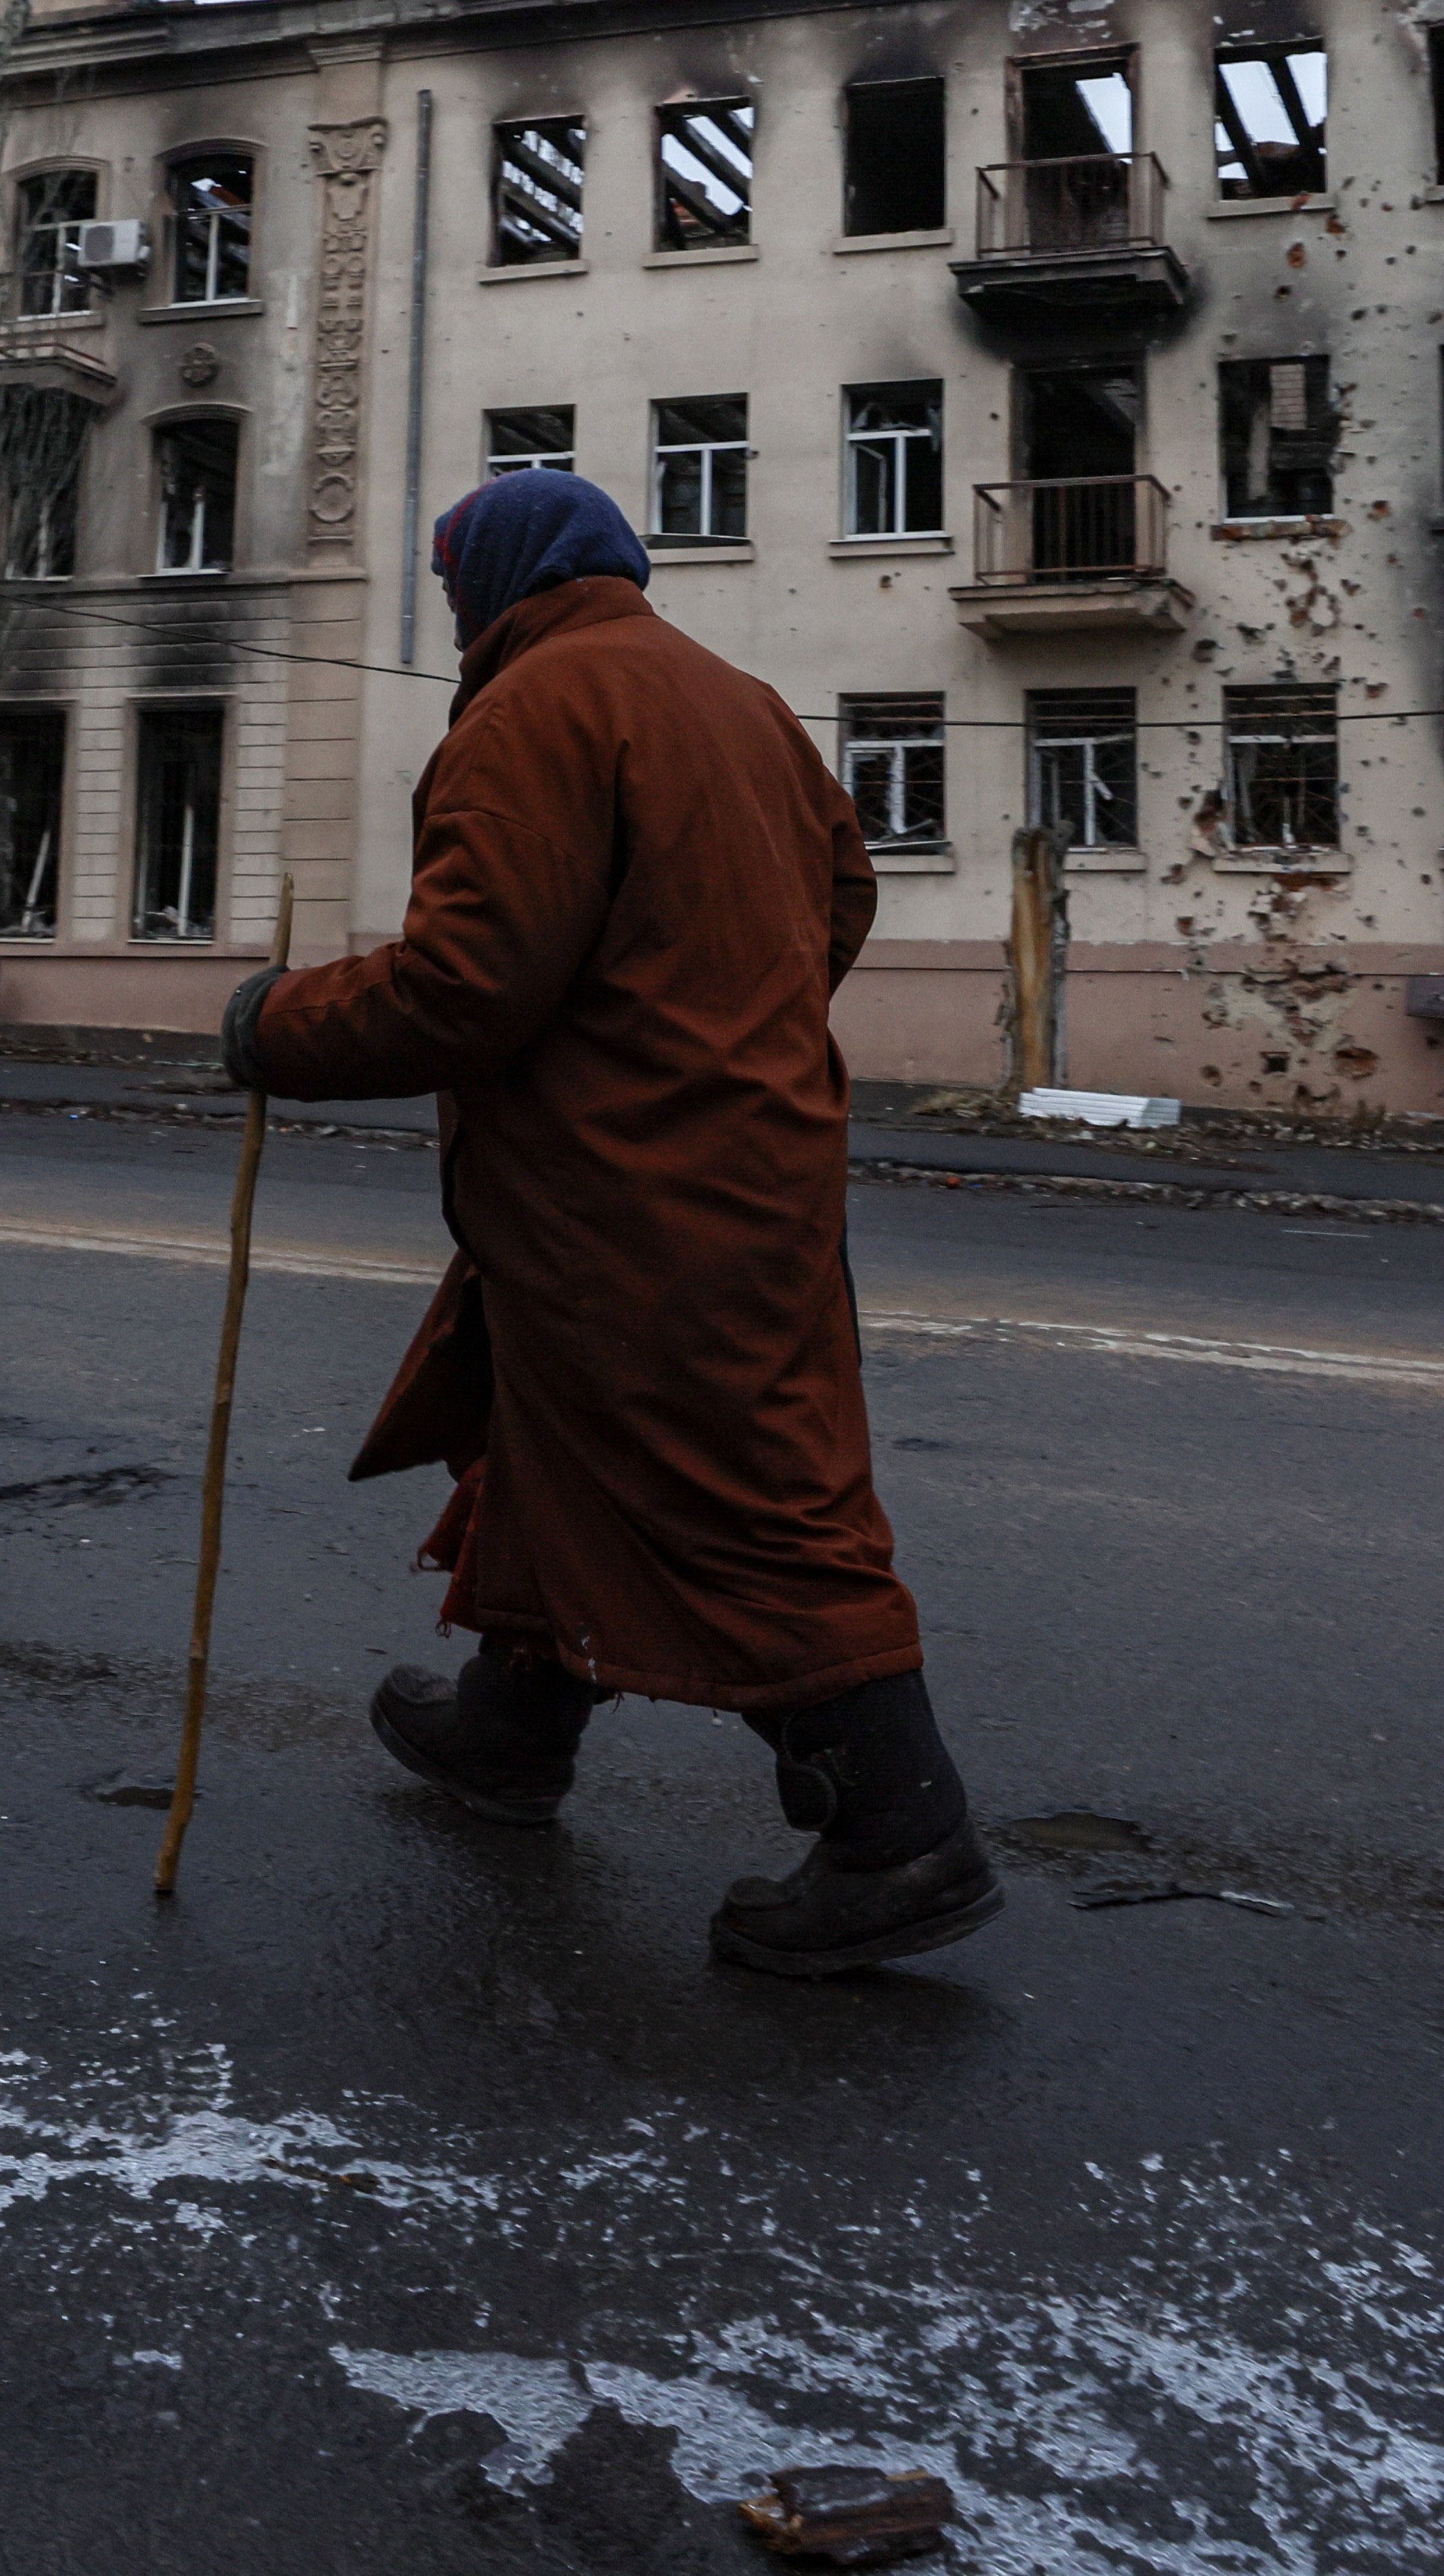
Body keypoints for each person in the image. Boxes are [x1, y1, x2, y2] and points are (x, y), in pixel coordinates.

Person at [222, 472, 998, 1977]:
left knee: (741, 1487)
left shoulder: (536, 708)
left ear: (500, 578)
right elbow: (842, 893)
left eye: (455, 586)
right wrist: (720, 1022)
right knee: (556, 1432)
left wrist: (276, 1024)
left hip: (630, 1189)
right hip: (732, 1160)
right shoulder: (741, 700)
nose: (453, 617)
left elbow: (469, 982)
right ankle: (512, 1735)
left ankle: (899, 1832)